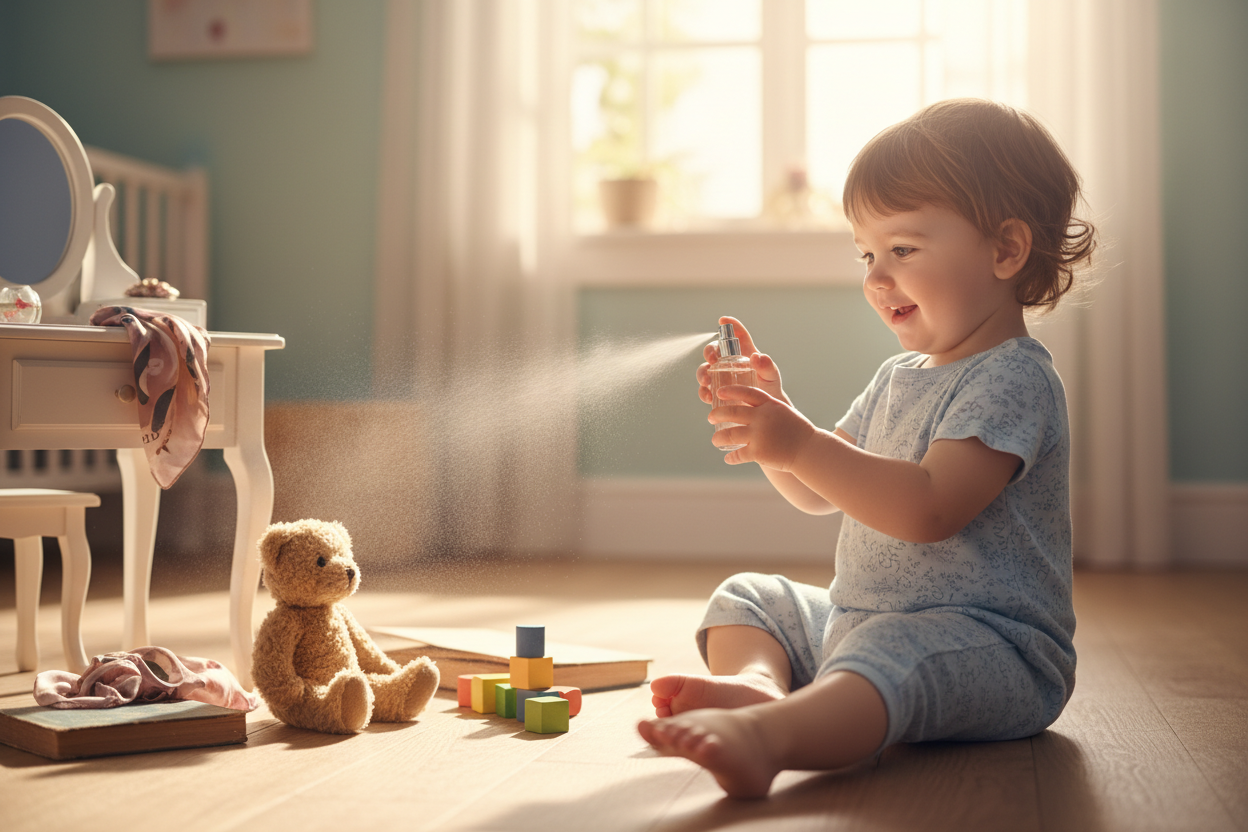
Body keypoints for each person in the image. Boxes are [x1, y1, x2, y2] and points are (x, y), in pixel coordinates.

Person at [637, 98, 1097, 799]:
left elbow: (927, 509)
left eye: (902, 250)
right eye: (867, 255)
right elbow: (816, 490)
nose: (877, 278)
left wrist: (800, 443)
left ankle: (772, 737)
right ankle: (759, 688)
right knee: (751, 597)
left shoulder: (1013, 379)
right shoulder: (897, 377)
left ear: (1005, 249)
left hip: (992, 649)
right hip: (862, 623)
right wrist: (775, 427)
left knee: (889, 652)